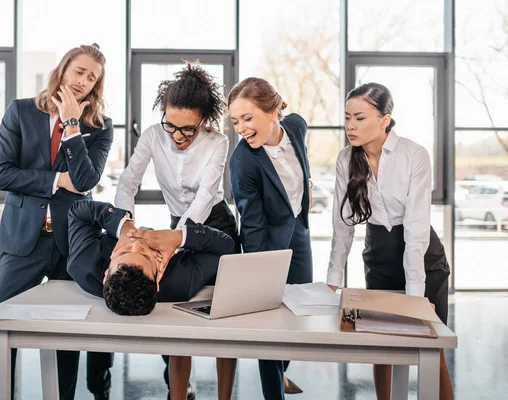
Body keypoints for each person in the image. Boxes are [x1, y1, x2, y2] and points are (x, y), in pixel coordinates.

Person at [0, 44, 114, 400]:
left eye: (92, 78)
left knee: (66, 335)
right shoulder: (21, 112)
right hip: (22, 241)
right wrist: (56, 181)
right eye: (79, 71)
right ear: (63, 69)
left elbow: (86, 181)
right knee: (0, 328)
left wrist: (72, 125)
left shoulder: (99, 127)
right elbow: (1, 173)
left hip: (71, 243)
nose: (83, 81)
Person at [114, 62, 240, 398]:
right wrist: (124, 228)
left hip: (215, 226)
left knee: (223, 317)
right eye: (171, 126)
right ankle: (179, 393)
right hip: (176, 224)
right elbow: (128, 183)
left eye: (189, 129)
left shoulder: (218, 142)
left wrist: (176, 241)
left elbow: (201, 201)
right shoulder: (154, 136)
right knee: (174, 317)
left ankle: (225, 395)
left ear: (205, 121)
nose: (178, 137)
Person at [326, 82, 453, 400]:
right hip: (379, 254)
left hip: (423, 257)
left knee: (430, 345)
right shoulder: (346, 159)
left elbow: (415, 229)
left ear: (385, 120)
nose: (350, 126)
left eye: (360, 117)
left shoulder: (414, 155)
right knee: (380, 345)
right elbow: (343, 226)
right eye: (347, 118)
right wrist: (332, 282)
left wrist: (414, 299)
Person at [66, 199, 237, 400]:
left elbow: (78, 210)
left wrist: (123, 227)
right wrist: (179, 236)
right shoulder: (181, 280)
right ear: (157, 281)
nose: (137, 244)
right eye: (145, 256)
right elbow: (226, 246)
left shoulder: (82, 262)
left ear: (106, 274)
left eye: (125, 252)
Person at [227, 77, 313, 400]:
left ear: (273, 111)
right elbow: (251, 224)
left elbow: (300, 163)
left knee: (298, 315)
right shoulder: (242, 162)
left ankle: (280, 370)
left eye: (247, 118)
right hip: (267, 244)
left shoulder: (297, 127)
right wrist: (261, 272)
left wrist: (308, 185)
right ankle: (273, 391)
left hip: (300, 233)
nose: (241, 128)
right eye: (235, 121)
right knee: (270, 324)